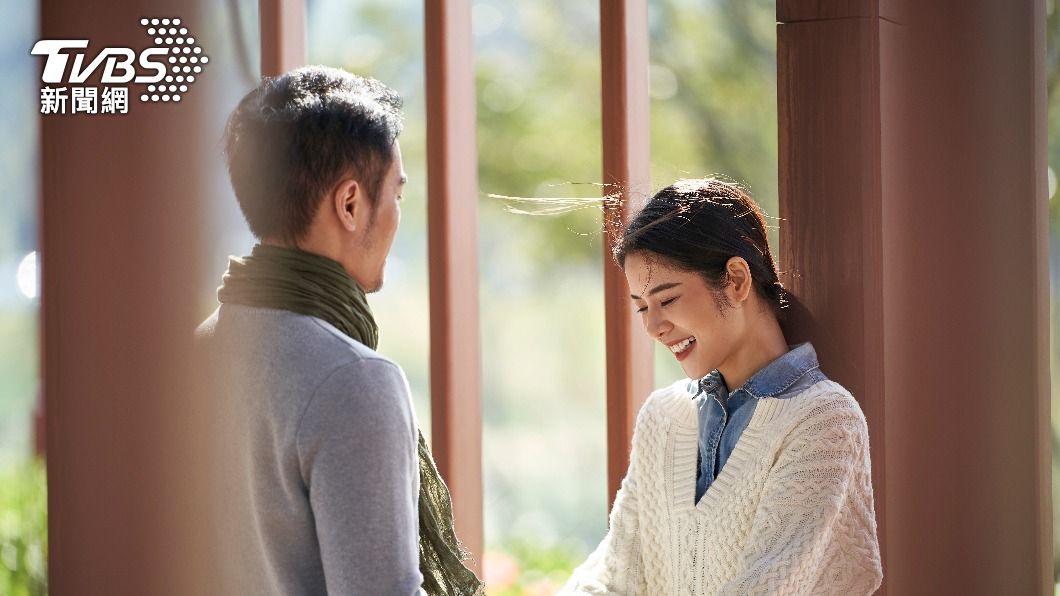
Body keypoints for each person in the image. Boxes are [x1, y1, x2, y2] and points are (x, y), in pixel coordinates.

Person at [196, 66, 483, 595]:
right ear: (350, 204)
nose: (398, 213)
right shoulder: (354, 381)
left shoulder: (193, 354)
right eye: (396, 193)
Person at [561, 178, 883, 595]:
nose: (654, 327)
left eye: (668, 300)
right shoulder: (663, 417)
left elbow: (768, 585)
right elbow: (613, 575)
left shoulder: (823, 420)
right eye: (641, 307)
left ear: (735, 279)